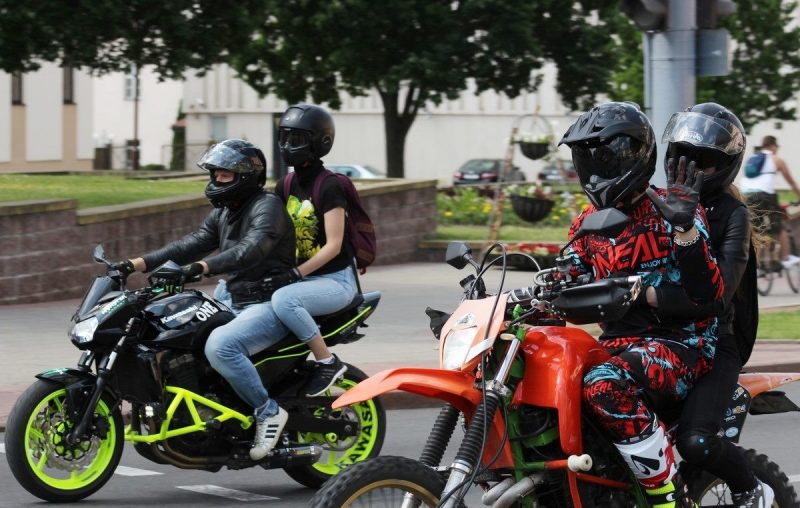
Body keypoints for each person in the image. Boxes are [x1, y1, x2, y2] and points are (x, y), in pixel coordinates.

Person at [558, 101, 724, 508]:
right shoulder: (585, 224)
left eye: (605, 156)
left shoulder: (675, 207)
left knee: (603, 383)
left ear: (635, 155)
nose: (595, 169)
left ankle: (668, 495)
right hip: (617, 345)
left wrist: (685, 226)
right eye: (587, 158)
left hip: (682, 345)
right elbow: (564, 282)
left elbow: (709, 293)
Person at [114, 139, 297, 461]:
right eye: (214, 173)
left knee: (221, 347)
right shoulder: (227, 210)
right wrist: (134, 264)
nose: (216, 181)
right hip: (233, 295)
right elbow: (191, 244)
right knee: (174, 332)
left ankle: (268, 411)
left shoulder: (267, 207)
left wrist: (199, 269)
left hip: (267, 302)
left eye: (224, 175)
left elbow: (250, 250)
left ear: (245, 176)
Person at [654, 103, 773, 507]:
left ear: (725, 165)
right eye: (683, 157)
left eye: (703, 162)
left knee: (696, 441)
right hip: (657, 335)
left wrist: (685, 225)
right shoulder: (652, 204)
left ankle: (749, 490)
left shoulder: (731, 215)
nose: (689, 169)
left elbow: (717, 295)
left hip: (716, 340)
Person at [270, 103, 359, 397]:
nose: (287, 145)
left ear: (320, 143)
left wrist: (294, 274)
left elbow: (334, 246)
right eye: (284, 137)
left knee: (284, 301)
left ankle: (327, 361)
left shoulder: (329, 185)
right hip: (302, 279)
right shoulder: (285, 184)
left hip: (334, 281)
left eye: (297, 139)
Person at [741, 135, 800, 269]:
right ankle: (786, 258)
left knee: (757, 229)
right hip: (765, 195)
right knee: (779, 225)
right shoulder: (776, 159)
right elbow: (791, 182)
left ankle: (755, 265)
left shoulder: (752, 160)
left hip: (747, 196)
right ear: (773, 146)